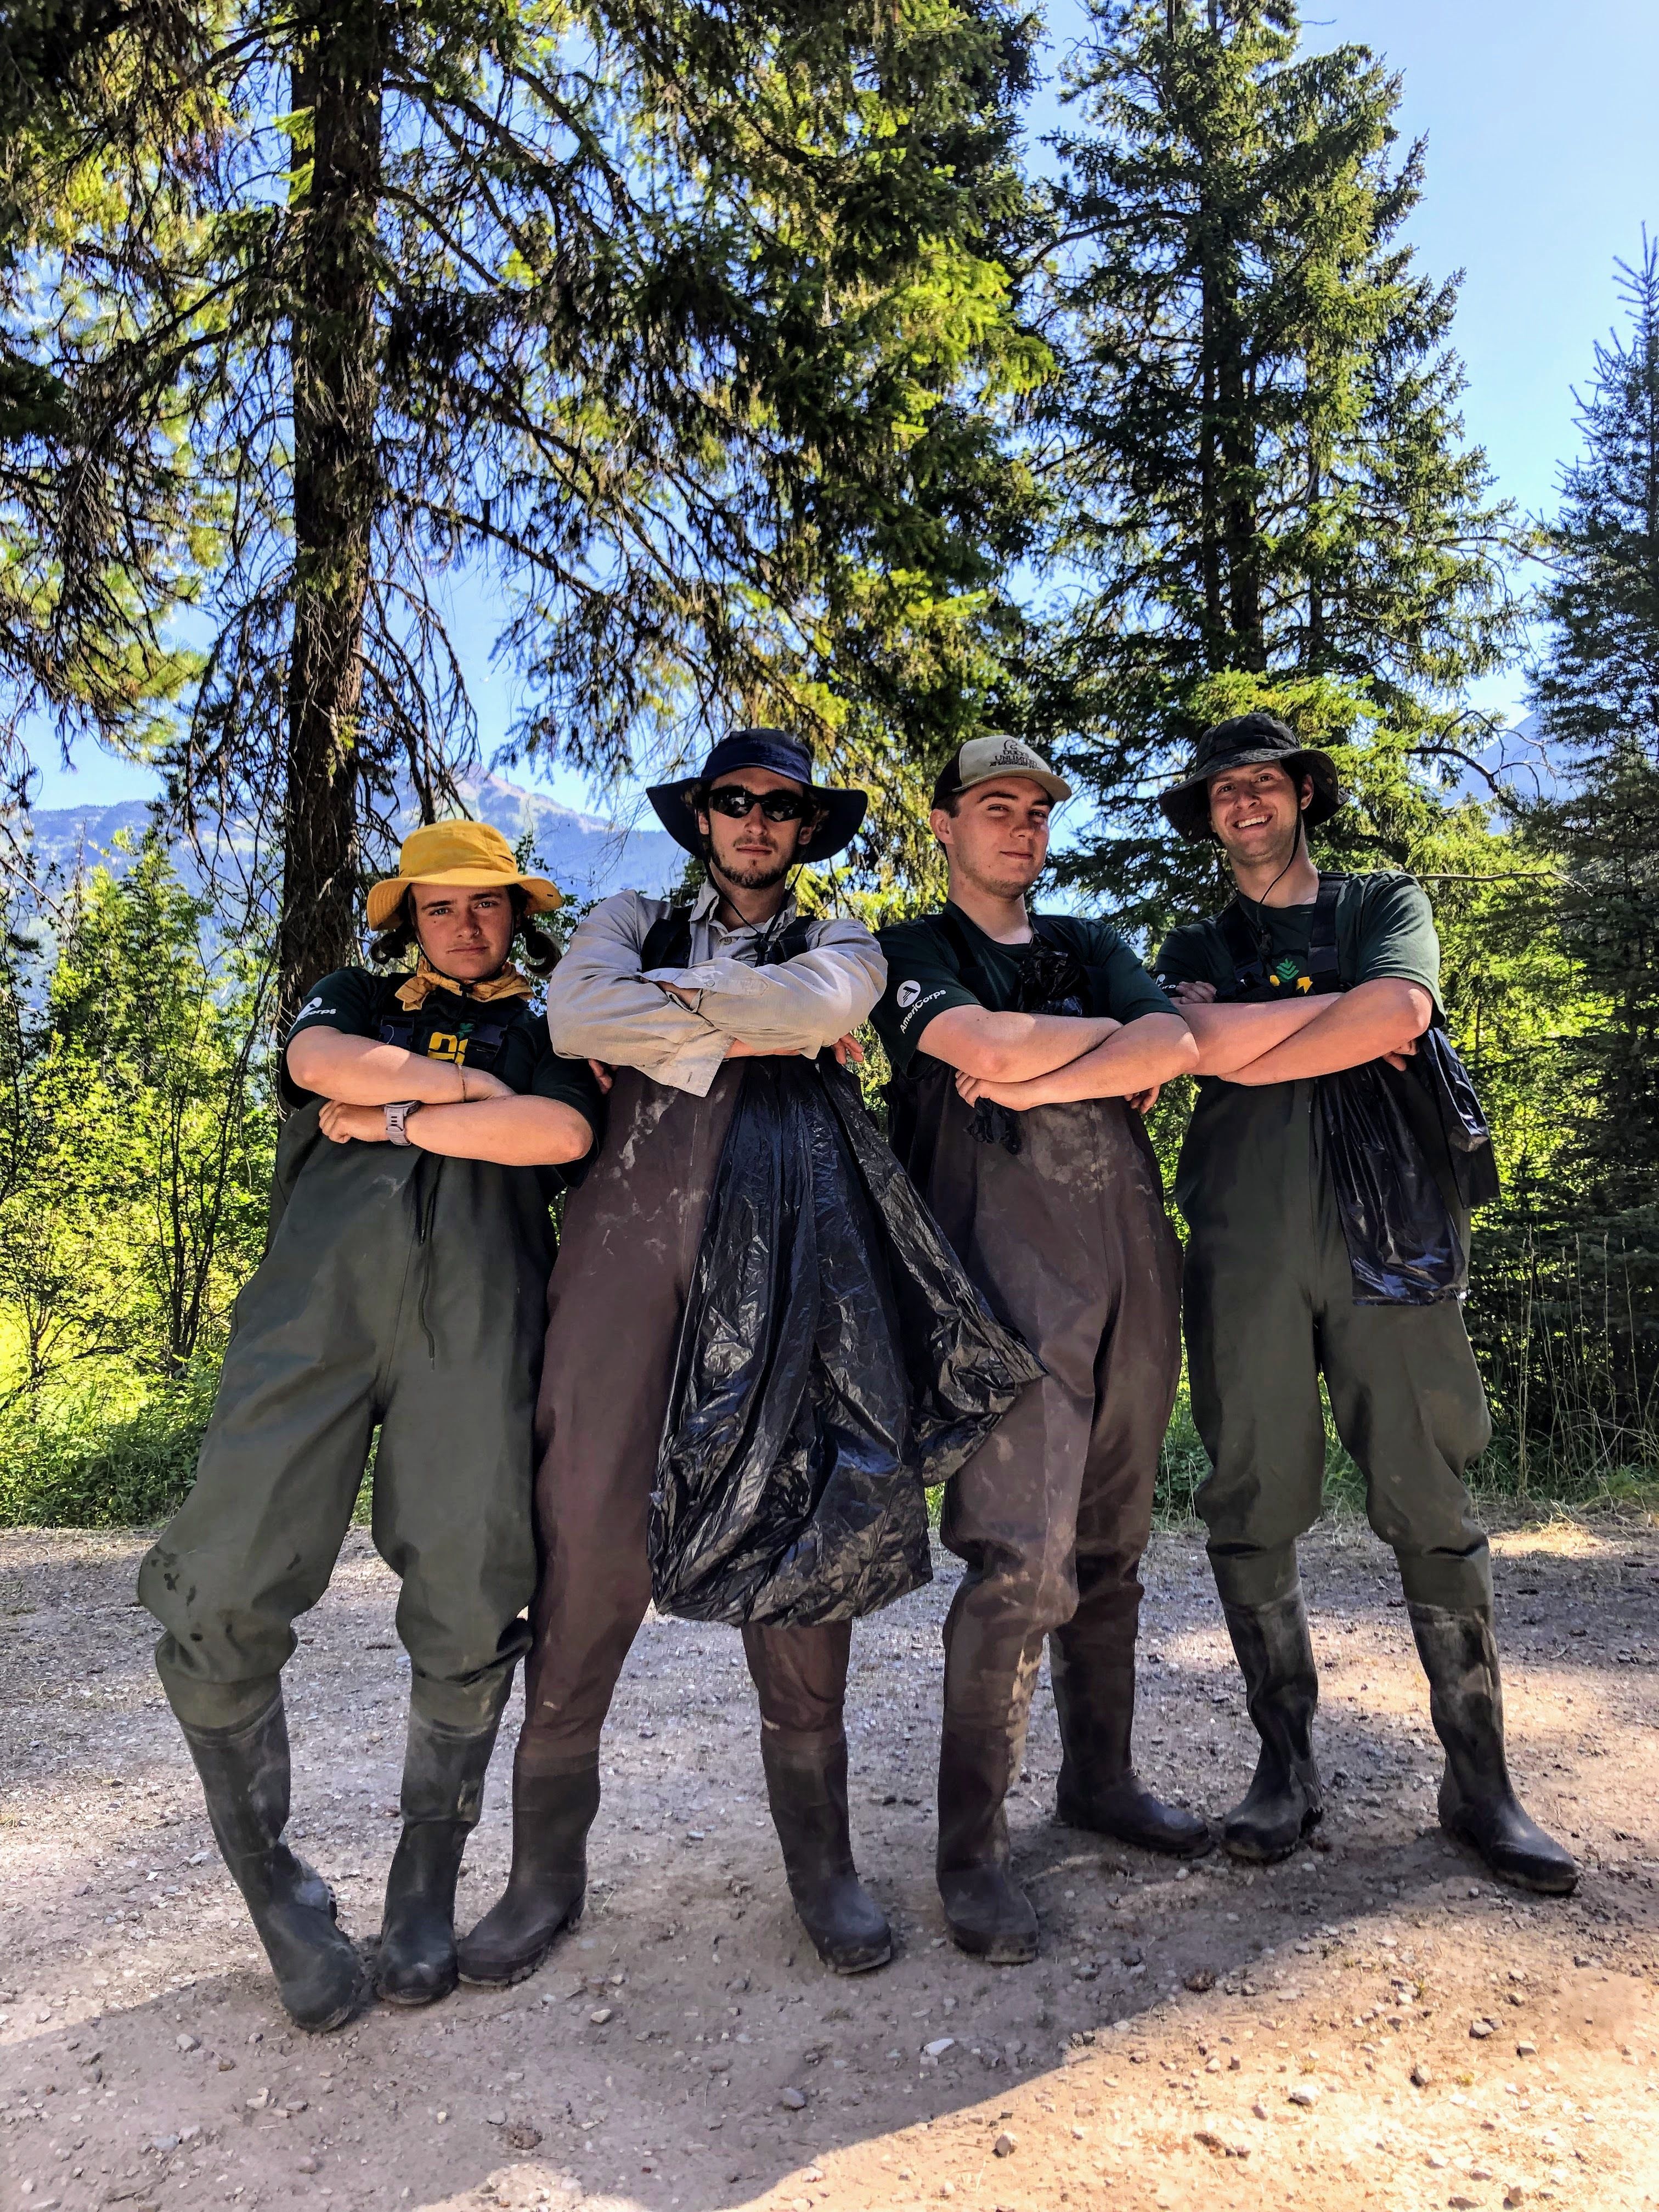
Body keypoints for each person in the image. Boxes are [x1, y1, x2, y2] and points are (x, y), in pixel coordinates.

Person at [139, 822, 605, 2032]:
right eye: (441, 906)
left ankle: (424, 1884)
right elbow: (322, 1065)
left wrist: (397, 1118)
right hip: (313, 1318)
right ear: (407, 915)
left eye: (488, 906)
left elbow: (555, 1136)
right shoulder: (351, 992)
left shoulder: (547, 1029)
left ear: (515, 917)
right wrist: (460, 1090)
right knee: (225, 1582)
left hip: (482, 1327)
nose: (467, 924)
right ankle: (280, 1896)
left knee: (472, 1579)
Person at [459, 727, 901, 1985]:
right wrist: (758, 1033)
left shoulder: (846, 938)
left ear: (807, 827)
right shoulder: (626, 917)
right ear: (700, 819)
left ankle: (824, 1866)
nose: (756, 822)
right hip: (621, 1252)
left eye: (781, 806)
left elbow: (825, 1005)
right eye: (733, 802)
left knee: (798, 1532)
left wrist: (675, 1031)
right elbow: (575, 1006)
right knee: (586, 1530)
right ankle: (545, 1874)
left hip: (794, 1254)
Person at [1152, 710, 1576, 1894]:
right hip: (1242, 1242)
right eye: (1225, 787)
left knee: (1428, 1488)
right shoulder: (1192, 934)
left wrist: (1246, 1033)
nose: (1245, 800)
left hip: (1389, 1232)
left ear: (1301, 796)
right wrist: (1320, 1027)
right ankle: (1284, 1768)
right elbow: (1185, 1041)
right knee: (1250, 1489)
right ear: (1211, 812)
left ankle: (1479, 1780)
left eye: (1265, 783)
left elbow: (1401, 1013)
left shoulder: (1383, 905)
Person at [871, 736, 1222, 1966]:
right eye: (996, 808)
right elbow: (983, 1047)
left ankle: (1102, 1783)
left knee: (1115, 1544)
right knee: (1020, 1561)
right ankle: (972, 1854)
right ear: (946, 824)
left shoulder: (1087, 938)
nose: (1021, 828)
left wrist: (1023, 1078)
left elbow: (1172, 1045)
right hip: (1000, 1281)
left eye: (1037, 811)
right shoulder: (909, 952)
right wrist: (1066, 1055)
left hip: (1132, 1262)